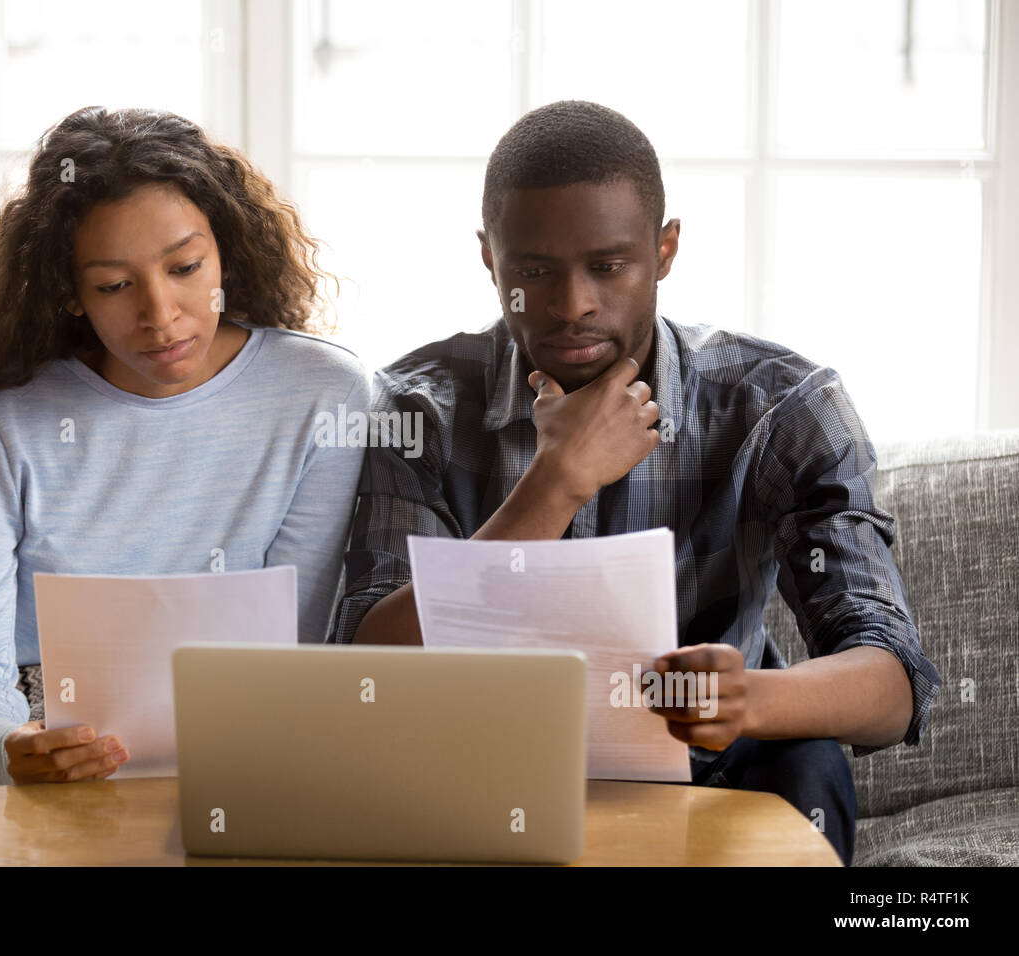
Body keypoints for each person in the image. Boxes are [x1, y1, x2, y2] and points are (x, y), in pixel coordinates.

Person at [332, 100, 942, 867]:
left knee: (806, 755)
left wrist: (747, 698)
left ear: (665, 249)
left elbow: (892, 683)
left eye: (608, 266)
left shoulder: (780, 405)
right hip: (483, 777)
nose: (572, 304)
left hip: (716, 769)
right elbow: (364, 668)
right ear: (490, 258)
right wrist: (556, 483)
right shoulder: (416, 407)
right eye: (534, 272)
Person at [0, 106, 368, 815]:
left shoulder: (324, 393)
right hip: (20, 747)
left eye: (185, 268)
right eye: (114, 285)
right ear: (68, 291)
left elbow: (294, 647)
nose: (161, 314)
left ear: (226, 253)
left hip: (231, 731)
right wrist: (13, 753)